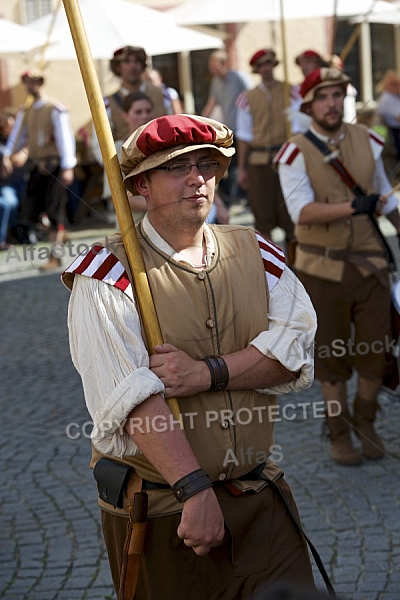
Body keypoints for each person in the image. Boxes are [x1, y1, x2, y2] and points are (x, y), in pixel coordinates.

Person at [63, 114, 319, 599]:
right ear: (141, 184)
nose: (197, 177)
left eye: (207, 164)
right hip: (166, 509)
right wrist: (194, 489)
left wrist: (207, 373)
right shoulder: (106, 274)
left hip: (257, 495)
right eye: (177, 168)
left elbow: (294, 353)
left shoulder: (257, 252)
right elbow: (130, 397)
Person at [275, 68, 400, 466]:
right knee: (331, 356)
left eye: (337, 95)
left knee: (377, 349)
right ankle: (338, 431)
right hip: (321, 268)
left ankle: (366, 422)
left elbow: (382, 195)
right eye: (323, 96)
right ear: (308, 104)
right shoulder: (294, 152)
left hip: (369, 264)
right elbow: (301, 213)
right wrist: (353, 207)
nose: (332, 103)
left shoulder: (367, 139)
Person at [2, 70, 76, 270]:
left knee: (53, 212)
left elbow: (65, 138)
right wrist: (7, 156)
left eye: (33, 81)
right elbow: (17, 134)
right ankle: (61, 235)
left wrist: (68, 165)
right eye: (26, 82)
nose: (29, 86)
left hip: (54, 165)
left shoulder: (55, 108)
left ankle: (56, 256)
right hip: (36, 166)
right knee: (30, 210)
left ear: (41, 82)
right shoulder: (26, 111)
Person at [236, 48, 296, 264]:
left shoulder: (291, 92)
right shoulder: (248, 98)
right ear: (256, 69)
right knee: (262, 215)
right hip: (259, 162)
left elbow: (298, 127)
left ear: (274, 65)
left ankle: (295, 262)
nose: (266, 69)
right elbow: (244, 135)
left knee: (290, 213)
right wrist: (241, 168)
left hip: (286, 160)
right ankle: (273, 265)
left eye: (269, 63)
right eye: (261, 65)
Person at [92, 46, 166, 210]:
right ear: (118, 66)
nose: (132, 66)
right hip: (126, 164)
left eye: (136, 61)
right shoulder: (106, 103)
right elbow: (99, 146)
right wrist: (121, 162)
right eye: (127, 62)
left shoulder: (161, 94)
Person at [202, 49, 249, 207]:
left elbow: (251, 98)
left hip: (242, 129)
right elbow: (212, 102)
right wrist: (200, 121)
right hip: (228, 130)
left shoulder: (238, 78)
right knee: (227, 163)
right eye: (211, 66)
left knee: (240, 164)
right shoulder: (215, 81)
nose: (212, 69)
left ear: (225, 64)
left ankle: (243, 196)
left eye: (215, 65)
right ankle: (232, 196)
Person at [0, 111, 26, 249]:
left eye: (11, 125)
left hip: (25, 182)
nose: (8, 129)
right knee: (9, 202)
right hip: (7, 185)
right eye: (5, 126)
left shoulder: (22, 142)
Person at [291, 50, 325, 134]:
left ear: (318, 64)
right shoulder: (296, 90)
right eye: (301, 64)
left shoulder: (327, 87)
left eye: (308, 62)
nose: (304, 67)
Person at [376, 70, 400, 160]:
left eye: (398, 83)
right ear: (386, 86)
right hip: (394, 133)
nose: (398, 86)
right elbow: (398, 117)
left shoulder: (395, 96)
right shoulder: (386, 99)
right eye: (394, 84)